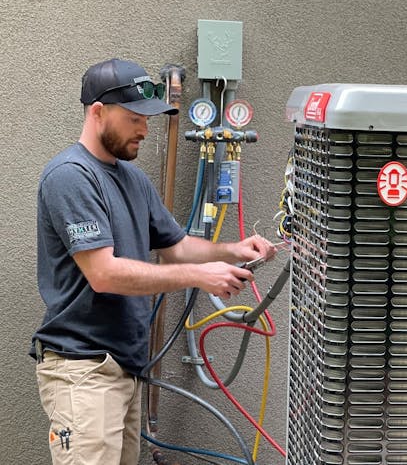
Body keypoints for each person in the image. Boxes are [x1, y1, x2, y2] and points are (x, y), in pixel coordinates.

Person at [30, 58, 276, 465]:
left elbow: (177, 247)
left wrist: (234, 250)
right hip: (83, 373)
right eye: (134, 119)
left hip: (124, 370)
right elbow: (104, 274)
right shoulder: (70, 176)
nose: (145, 130)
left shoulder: (131, 179)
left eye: (148, 119)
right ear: (97, 113)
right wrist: (200, 276)